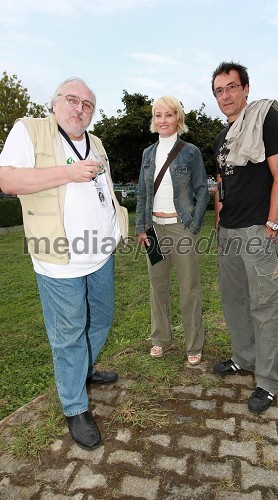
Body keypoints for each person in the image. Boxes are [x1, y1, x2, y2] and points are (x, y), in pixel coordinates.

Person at [0, 77, 128, 450]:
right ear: (55, 103)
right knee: (69, 335)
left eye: (87, 105)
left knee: (100, 319)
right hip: (59, 258)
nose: (80, 109)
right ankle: (75, 406)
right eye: (73, 100)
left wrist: (115, 222)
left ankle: (82, 373)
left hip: (99, 252)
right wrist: (69, 173)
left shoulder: (96, 142)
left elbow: (103, 188)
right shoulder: (31, 131)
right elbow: (7, 179)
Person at [211, 62, 278, 413]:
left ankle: (269, 381)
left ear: (246, 88)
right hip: (228, 232)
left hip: (257, 230)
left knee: (265, 304)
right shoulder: (221, 138)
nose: (225, 96)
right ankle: (244, 358)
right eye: (218, 91)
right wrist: (218, 221)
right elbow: (222, 185)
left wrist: (272, 225)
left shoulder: (265, 120)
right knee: (234, 300)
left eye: (231, 87)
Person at [135, 96, 209, 366]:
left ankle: (194, 343)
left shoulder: (190, 152)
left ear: (178, 118)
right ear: (154, 120)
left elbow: (202, 190)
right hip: (154, 230)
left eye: (168, 115)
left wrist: (194, 224)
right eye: (158, 115)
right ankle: (161, 339)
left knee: (189, 288)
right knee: (158, 287)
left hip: (181, 229)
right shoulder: (147, 153)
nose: (162, 120)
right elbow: (142, 193)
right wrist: (141, 227)